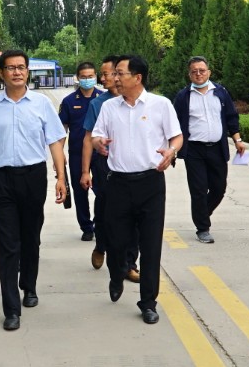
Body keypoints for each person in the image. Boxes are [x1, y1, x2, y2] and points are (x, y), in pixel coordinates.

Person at [0, 50, 67, 331]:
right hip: (1, 180)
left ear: (27, 71)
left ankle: (29, 285)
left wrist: (61, 178)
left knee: (30, 237)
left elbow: (55, 141)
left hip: (32, 177)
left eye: (21, 67)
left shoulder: (41, 104)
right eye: (10, 68)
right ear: (1, 73)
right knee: (7, 244)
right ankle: (11, 309)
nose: (16, 72)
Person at [91, 55, 182, 325]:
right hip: (118, 183)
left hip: (150, 183)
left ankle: (148, 302)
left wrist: (172, 150)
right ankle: (116, 274)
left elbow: (177, 136)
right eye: (115, 74)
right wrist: (98, 142)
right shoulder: (109, 107)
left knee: (151, 245)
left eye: (120, 73)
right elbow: (96, 135)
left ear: (137, 77)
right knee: (116, 241)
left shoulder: (161, 105)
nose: (114, 78)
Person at [79, 56, 139, 283]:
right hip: (105, 167)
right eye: (102, 74)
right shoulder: (99, 104)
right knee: (106, 213)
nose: (102, 79)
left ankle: (130, 264)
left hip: (133, 167)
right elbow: (88, 139)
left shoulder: (140, 101)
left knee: (133, 216)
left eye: (106, 74)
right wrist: (85, 171)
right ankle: (101, 245)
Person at [173, 56, 245, 244]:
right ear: (189, 74)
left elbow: (231, 117)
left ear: (209, 72)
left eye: (202, 70)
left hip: (217, 148)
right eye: (194, 71)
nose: (198, 74)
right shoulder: (183, 97)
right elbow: (175, 124)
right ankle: (203, 227)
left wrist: (237, 139)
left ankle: (202, 213)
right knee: (198, 190)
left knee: (219, 188)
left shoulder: (220, 92)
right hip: (194, 150)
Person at [58, 62, 102, 241]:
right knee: (80, 190)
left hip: (100, 153)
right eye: (83, 77)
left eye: (90, 76)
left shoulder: (103, 98)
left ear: (96, 76)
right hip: (77, 153)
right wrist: (59, 154)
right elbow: (62, 130)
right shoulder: (69, 101)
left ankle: (100, 224)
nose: (87, 79)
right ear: (77, 78)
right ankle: (86, 227)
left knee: (102, 191)